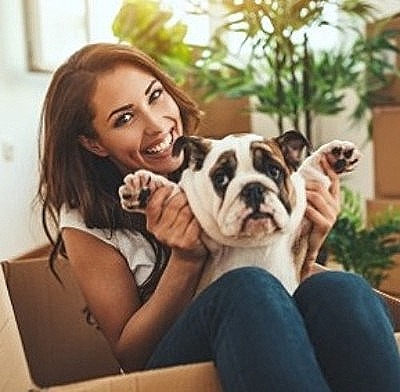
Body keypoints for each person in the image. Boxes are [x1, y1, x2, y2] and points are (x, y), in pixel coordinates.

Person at [37, 42, 400, 392]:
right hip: (173, 363)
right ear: (94, 142)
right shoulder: (86, 221)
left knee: (340, 287)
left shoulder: (217, 159)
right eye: (125, 118)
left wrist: (307, 238)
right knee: (247, 288)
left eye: (155, 95)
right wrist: (186, 259)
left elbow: (285, 279)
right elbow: (133, 356)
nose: (157, 125)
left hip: (263, 339)